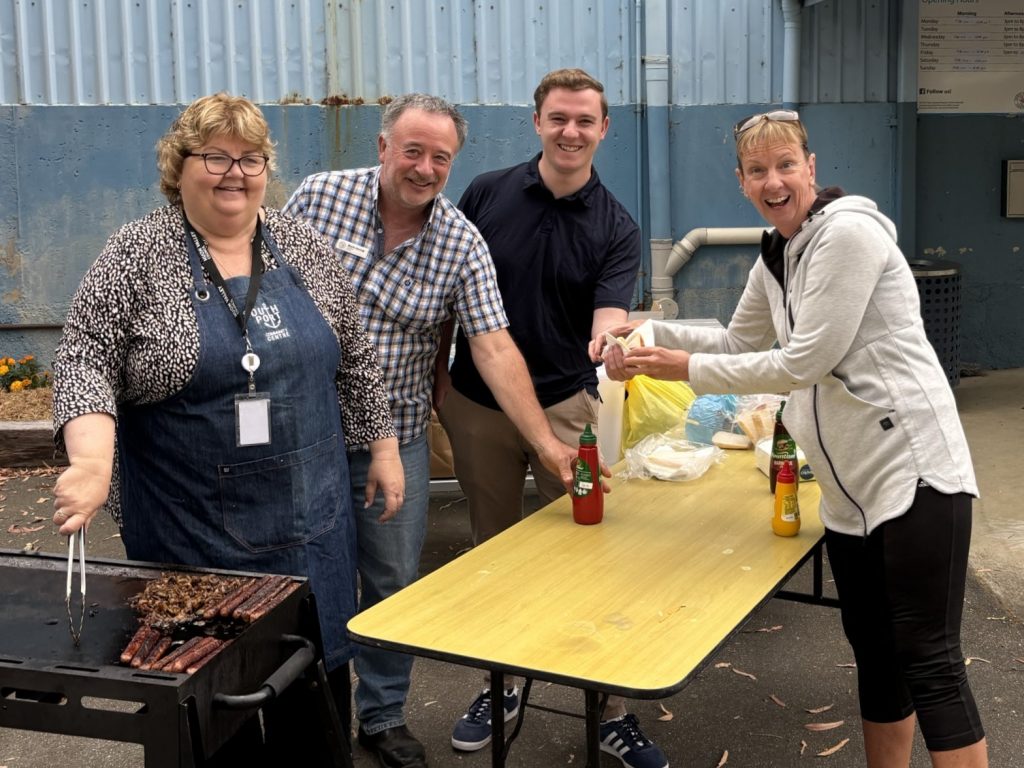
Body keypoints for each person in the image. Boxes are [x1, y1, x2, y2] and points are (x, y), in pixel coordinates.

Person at [599, 109, 988, 768]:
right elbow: (735, 341)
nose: (773, 180)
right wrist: (649, 333)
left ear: (811, 169)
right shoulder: (776, 255)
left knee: (930, 661)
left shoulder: (849, 235)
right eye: (758, 170)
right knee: (875, 651)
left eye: (786, 165)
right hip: (847, 496)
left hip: (914, 475)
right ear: (742, 181)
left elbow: (804, 360)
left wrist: (682, 369)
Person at [49, 92, 403, 764]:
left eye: (251, 159)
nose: (234, 173)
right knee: (214, 719)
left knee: (313, 705)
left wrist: (382, 445)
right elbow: (84, 355)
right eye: (215, 156)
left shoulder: (300, 243)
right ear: (179, 166)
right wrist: (92, 463)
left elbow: (353, 351)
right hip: (194, 536)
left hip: (312, 530)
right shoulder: (138, 252)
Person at [283, 93, 578, 768]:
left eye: (439, 157)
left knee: (392, 582)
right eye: (412, 151)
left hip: (398, 437)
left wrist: (546, 444)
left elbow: (494, 346)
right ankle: (302, 712)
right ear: (382, 146)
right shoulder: (317, 199)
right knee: (300, 580)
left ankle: (382, 718)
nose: (424, 168)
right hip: (299, 434)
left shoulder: (459, 240)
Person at [435, 68, 667, 768]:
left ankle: (610, 709)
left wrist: (609, 342)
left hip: (567, 408)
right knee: (494, 550)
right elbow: (450, 287)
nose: (571, 131)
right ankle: (501, 685)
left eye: (585, 121)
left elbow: (609, 316)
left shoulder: (616, 226)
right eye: (558, 118)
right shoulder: (486, 192)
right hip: (477, 405)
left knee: (589, 556)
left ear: (604, 130)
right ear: (537, 121)